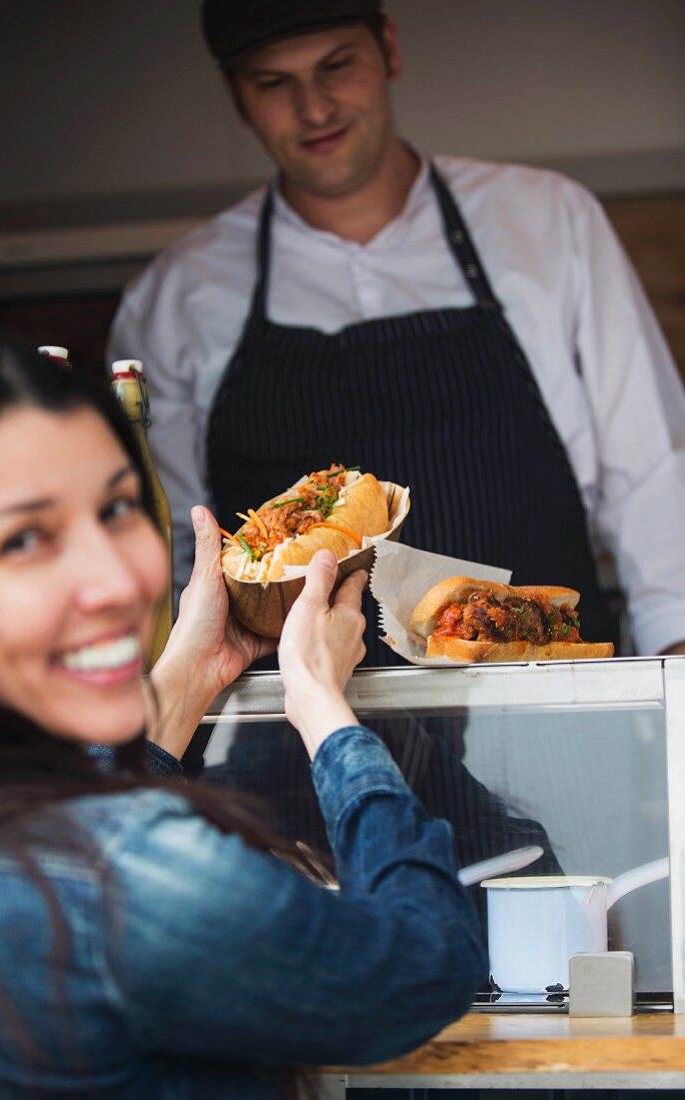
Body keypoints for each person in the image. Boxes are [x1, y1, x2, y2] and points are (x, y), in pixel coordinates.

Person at [0, 338, 487, 1098]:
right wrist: (322, 706)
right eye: (26, 539)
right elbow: (425, 969)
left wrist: (187, 678)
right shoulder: (140, 881)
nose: (114, 579)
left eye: (117, 507)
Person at [108, 0, 685, 661]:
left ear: (389, 49)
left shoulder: (549, 222)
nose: (315, 107)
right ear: (237, 97)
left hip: (547, 707)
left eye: (336, 66)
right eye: (274, 82)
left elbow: (655, 478)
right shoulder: (178, 294)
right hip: (290, 736)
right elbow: (170, 553)